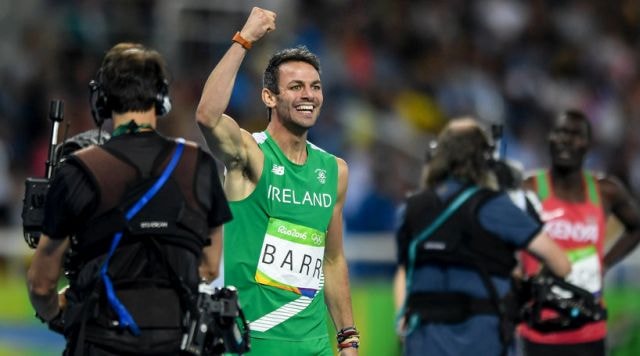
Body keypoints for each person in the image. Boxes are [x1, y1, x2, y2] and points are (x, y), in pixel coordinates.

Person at [26, 42, 232, 355]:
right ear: (162, 99)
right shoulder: (199, 166)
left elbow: (41, 285)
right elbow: (210, 267)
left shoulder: (78, 170)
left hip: (99, 342)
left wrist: (57, 312)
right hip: (177, 343)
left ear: (103, 100)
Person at [195, 7, 359, 356]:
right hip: (251, 343)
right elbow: (208, 116)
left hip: (314, 346)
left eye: (315, 87)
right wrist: (245, 39)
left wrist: (348, 338)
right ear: (269, 97)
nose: (308, 95)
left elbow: (332, 260)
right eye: (296, 87)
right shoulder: (249, 155)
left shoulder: (334, 171)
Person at [393, 117, 571, 356]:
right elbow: (561, 264)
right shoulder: (495, 206)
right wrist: (522, 287)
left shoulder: (411, 209)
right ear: (484, 158)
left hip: (423, 343)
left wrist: (401, 319)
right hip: (483, 341)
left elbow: (405, 270)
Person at [518, 109, 640, 356]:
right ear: (549, 138)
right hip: (539, 329)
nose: (566, 140)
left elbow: (636, 226)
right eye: (560, 132)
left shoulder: (605, 191)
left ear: (589, 145)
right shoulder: (528, 188)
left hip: (588, 329)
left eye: (575, 134)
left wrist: (605, 263)